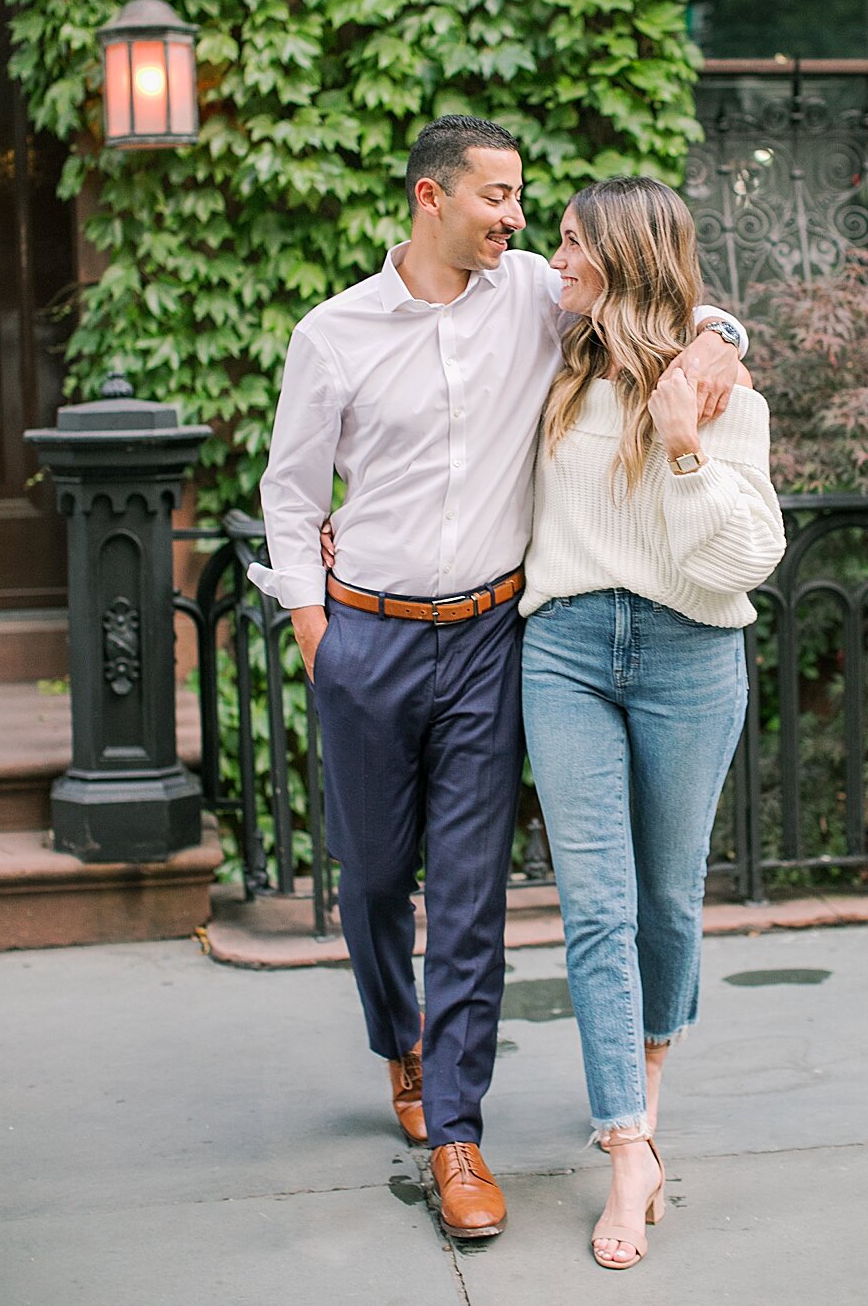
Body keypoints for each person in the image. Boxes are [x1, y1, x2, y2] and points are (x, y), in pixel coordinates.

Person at [247, 117, 749, 1241]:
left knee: (469, 893)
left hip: (489, 639)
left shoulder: (532, 294)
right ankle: (400, 1039)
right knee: (375, 878)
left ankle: (458, 1133)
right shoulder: (332, 334)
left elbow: (655, 292)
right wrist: (315, 629)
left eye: (522, 204)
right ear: (434, 198)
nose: (519, 220)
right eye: (500, 197)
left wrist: (721, 334)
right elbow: (290, 491)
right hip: (364, 636)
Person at [519, 177, 786, 1269]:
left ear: (621, 257)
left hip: (689, 652)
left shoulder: (723, 401)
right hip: (567, 650)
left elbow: (740, 562)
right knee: (594, 903)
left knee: (667, 898)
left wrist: (682, 445)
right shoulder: (553, 351)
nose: (555, 256)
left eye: (574, 242)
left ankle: (649, 1090)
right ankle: (626, 1144)